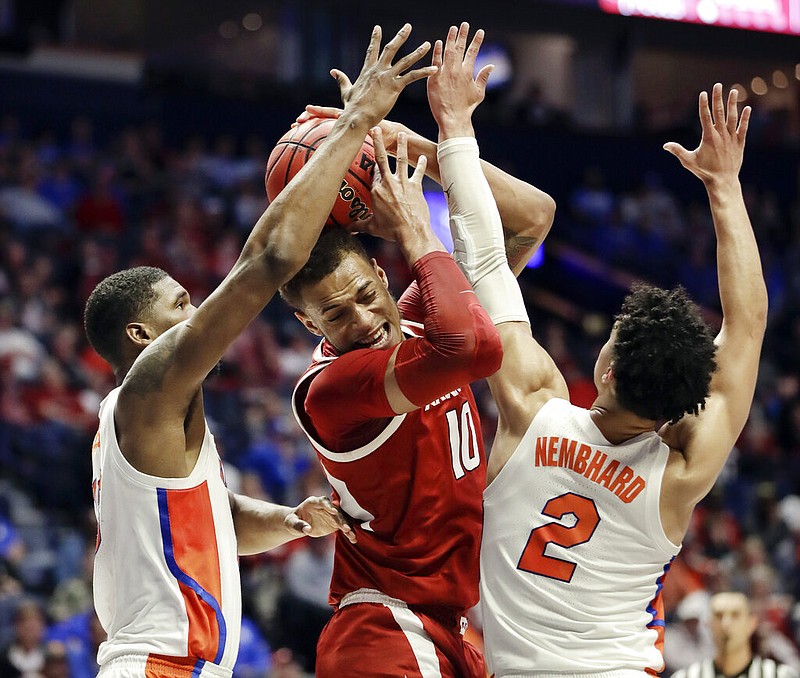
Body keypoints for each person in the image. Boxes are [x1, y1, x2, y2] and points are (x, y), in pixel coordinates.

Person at [81, 24, 438, 678]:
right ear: (140, 335)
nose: (197, 314)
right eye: (180, 305)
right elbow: (269, 259)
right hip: (160, 666)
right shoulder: (152, 386)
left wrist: (290, 522)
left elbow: (212, 520)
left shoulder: (132, 422)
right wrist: (356, 120)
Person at [442, 82, 768, 675]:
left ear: (608, 368)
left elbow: (486, 258)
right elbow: (747, 326)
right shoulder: (681, 472)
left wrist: (455, 127)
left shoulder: (533, 406)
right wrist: (724, 186)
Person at [280, 23, 555, 677]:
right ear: (306, 322)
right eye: (335, 314)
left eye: (363, 296)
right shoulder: (335, 388)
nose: (362, 319)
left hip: (446, 628)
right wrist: (415, 232)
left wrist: (415, 147)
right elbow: (473, 350)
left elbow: (532, 218)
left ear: (380, 277)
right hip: (384, 626)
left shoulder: (409, 318)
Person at [670, 592, 799, 678]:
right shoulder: (686, 676)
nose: (726, 623)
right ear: (708, 624)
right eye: (719, 616)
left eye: (735, 615)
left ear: (751, 623)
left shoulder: (781, 675)